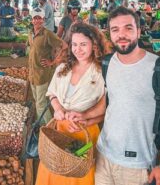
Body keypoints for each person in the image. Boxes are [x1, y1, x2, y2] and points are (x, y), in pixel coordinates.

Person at [68, 6, 160, 185]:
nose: (121, 35)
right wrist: (85, 115)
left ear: (138, 31)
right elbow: (110, 100)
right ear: (110, 34)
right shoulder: (107, 63)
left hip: (136, 165)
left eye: (128, 28)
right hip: (103, 155)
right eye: (115, 29)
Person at [35, 22, 110, 185]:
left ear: (94, 45)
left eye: (83, 44)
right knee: (54, 173)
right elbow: (52, 94)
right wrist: (58, 109)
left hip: (85, 133)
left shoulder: (101, 72)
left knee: (78, 177)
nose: (78, 49)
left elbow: (107, 108)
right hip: (58, 134)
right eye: (74, 44)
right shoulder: (63, 67)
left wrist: (87, 119)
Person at [27, 7, 68, 124]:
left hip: (42, 74)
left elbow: (64, 46)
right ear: (32, 20)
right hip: (32, 74)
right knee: (37, 101)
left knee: (40, 103)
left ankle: (49, 126)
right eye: (35, 18)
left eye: (39, 18)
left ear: (43, 20)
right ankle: (41, 124)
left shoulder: (48, 34)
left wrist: (53, 62)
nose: (37, 21)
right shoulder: (30, 33)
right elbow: (30, 48)